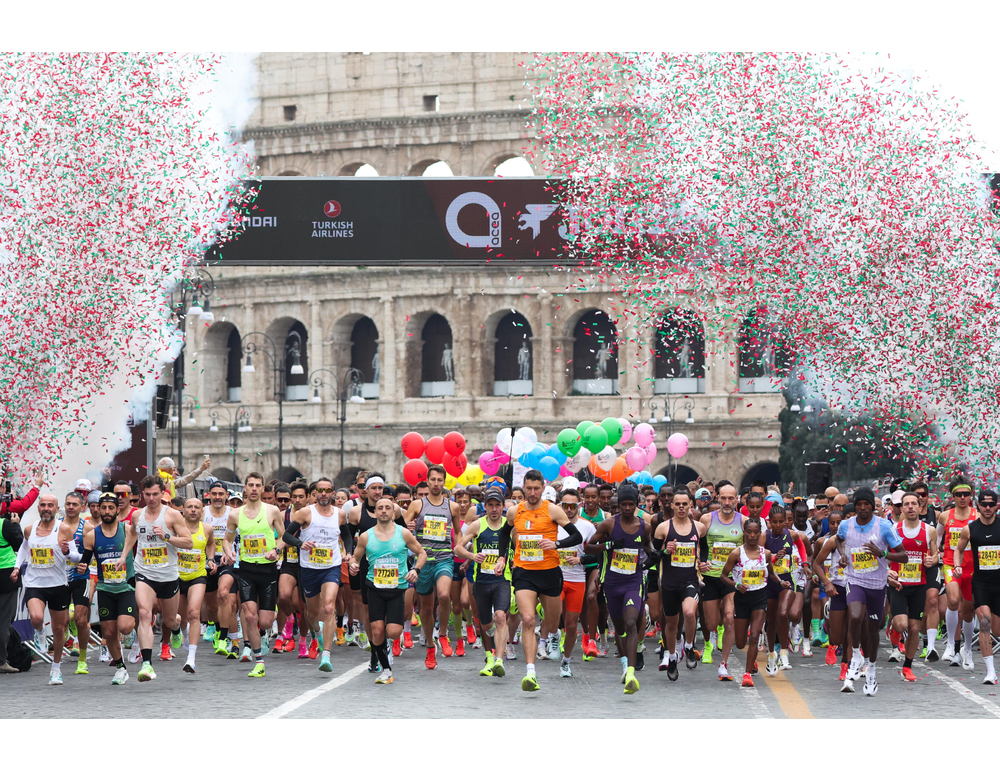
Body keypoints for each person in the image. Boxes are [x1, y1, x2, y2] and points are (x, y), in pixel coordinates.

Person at [817, 486, 906, 696]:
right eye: (859, 505)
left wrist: (882, 553)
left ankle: (872, 669)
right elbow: (839, 539)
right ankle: (856, 655)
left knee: (873, 629)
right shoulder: (847, 525)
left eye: (867, 504)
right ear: (855, 507)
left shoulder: (883, 526)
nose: (864, 508)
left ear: (872, 507)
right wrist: (843, 554)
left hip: (877, 584)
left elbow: (903, 556)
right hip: (854, 580)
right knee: (855, 615)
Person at [499, 469, 581, 692]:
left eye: (536, 488)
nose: (532, 492)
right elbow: (504, 534)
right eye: (529, 488)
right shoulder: (514, 511)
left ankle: (555, 634)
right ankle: (530, 672)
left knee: (552, 623)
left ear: (543, 489)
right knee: (528, 619)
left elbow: (577, 536)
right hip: (524, 572)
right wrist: (502, 557)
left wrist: (557, 545)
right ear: (523, 488)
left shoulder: (553, 510)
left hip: (549, 572)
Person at [117, 475, 193, 682]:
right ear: (142, 494)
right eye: (148, 494)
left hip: (168, 574)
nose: (151, 498)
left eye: (155, 494)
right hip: (145, 572)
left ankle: (177, 628)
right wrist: (124, 556)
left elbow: (188, 543)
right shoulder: (137, 515)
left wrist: (166, 536)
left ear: (162, 494)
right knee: (144, 614)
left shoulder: (172, 516)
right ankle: (147, 665)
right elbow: (132, 534)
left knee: (170, 619)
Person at [349, 496, 426, 684]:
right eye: (380, 508)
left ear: (393, 512)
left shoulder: (403, 533)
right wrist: (353, 565)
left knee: (393, 632)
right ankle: (386, 669)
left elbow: (422, 553)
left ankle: (386, 646)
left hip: (397, 588)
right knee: (376, 630)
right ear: (375, 512)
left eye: (387, 508)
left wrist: (415, 570)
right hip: (374, 587)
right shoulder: (366, 536)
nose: (383, 510)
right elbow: (355, 557)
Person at [282, 477, 352, 672]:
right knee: (312, 613)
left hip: (331, 566)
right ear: (316, 492)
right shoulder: (306, 513)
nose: (323, 494)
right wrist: (300, 544)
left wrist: (348, 551)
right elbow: (287, 535)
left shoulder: (340, 514)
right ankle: (318, 633)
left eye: (327, 490)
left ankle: (326, 655)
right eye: (320, 490)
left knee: (329, 607)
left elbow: (346, 535)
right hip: (309, 568)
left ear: (332, 492)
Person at [585, 482, 648, 695]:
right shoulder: (609, 525)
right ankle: (624, 664)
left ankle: (631, 673)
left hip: (633, 582)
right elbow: (589, 547)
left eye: (631, 504)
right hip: (613, 583)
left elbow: (648, 550)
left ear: (637, 504)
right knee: (620, 627)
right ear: (619, 504)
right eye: (624, 504)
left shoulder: (644, 526)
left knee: (631, 622)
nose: (628, 508)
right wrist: (609, 545)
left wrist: (653, 558)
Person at [11, 493, 81, 684]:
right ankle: (40, 631)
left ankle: (56, 668)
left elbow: (76, 557)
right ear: (38, 508)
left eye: (50, 505)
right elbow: (24, 549)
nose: (46, 508)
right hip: (35, 583)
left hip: (58, 584)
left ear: (56, 509)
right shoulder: (29, 529)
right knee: (36, 618)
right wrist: (17, 567)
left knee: (59, 629)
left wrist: (68, 553)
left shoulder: (63, 528)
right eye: (43, 505)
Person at [224, 471, 285, 678]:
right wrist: (229, 551)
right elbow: (227, 539)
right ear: (245, 488)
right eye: (250, 485)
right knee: (250, 615)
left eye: (258, 485)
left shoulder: (272, 511)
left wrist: (276, 550)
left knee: (265, 621)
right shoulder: (235, 514)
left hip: (268, 569)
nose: (253, 489)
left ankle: (266, 630)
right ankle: (258, 661)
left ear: (263, 489)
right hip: (247, 569)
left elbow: (284, 537)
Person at [403, 465, 463, 671]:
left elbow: (458, 533)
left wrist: (461, 548)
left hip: (445, 558)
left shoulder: (452, 507)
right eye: (433, 480)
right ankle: (430, 646)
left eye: (440, 480)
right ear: (427, 482)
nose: (436, 484)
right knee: (426, 609)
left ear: (444, 482)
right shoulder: (417, 505)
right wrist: (409, 528)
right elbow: (401, 529)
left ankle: (443, 634)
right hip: (423, 560)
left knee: (445, 595)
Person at [721, 517, 789, 687]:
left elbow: (771, 574)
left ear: (760, 533)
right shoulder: (737, 553)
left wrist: (780, 582)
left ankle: (747, 673)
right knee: (740, 642)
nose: (752, 535)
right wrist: (736, 584)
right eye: (749, 532)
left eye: (755, 532)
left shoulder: (765, 553)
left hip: (759, 597)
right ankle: (751, 661)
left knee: (755, 636)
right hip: (742, 598)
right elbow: (723, 576)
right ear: (744, 533)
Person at [75, 493, 136, 684]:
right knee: (109, 633)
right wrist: (81, 565)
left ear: (118, 509)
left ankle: (135, 633)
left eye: (111, 508)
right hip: (105, 589)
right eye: (104, 508)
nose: (107, 511)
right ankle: (120, 668)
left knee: (125, 628)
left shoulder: (127, 530)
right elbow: (84, 561)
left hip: (126, 587)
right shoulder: (92, 535)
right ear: (98, 510)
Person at [454, 487, 512, 678]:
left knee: (501, 616)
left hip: (503, 580)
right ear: (485, 507)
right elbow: (458, 548)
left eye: (498, 505)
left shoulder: (509, 525)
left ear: (503, 507)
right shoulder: (477, 525)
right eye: (490, 505)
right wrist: (472, 556)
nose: (494, 509)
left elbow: (518, 548)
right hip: (481, 581)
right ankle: (489, 657)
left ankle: (499, 660)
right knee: (485, 624)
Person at [654, 488, 707, 680]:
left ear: (690, 504)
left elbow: (705, 548)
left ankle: (689, 646)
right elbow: (653, 555)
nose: (681, 507)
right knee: (671, 624)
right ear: (672, 505)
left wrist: (704, 562)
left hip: (690, 580)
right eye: (678, 504)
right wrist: (664, 551)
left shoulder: (699, 527)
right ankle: (672, 657)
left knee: (690, 612)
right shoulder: (663, 528)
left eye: (685, 504)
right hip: (669, 582)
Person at [886, 491, 937, 682]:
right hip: (898, 583)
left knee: (915, 628)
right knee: (901, 624)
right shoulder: (893, 530)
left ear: (920, 506)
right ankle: (894, 629)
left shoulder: (928, 530)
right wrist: (888, 572)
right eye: (906, 504)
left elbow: (935, 553)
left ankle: (907, 667)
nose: (910, 507)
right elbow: (884, 555)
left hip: (919, 584)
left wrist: (933, 560)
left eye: (913, 504)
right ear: (901, 508)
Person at [954, 488, 1000, 684]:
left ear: (997, 505)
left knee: (997, 630)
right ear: (978, 505)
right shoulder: (970, 528)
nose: (988, 508)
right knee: (985, 622)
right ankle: (990, 671)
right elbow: (958, 549)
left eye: (991, 504)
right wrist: (957, 565)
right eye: (984, 504)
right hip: (980, 582)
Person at [699, 483, 743, 681]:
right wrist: (699, 564)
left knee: (729, 616)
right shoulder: (707, 519)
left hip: (732, 578)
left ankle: (723, 664)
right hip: (711, 576)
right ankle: (711, 639)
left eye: (730, 499)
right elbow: (697, 546)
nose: (727, 502)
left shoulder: (744, 522)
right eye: (723, 498)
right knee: (710, 624)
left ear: (737, 499)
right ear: (717, 497)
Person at [553, 487, 596, 677]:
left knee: (571, 625)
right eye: (565, 505)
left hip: (577, 579)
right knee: (553, 617)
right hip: (556, 578)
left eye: (572, 505)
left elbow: (596, 553)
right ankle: (553, 636)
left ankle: (566, 661)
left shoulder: (587, 527)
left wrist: (580, 560)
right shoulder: (553, 524)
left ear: (580, 505)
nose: (568, 509)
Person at [761, 506, 809, 675]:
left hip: (787, 582)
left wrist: (805, 564)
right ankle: (771, 654)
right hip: (769, 582)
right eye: (775, 522)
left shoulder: (791, 535)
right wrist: (774, 558)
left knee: (783, 614)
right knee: (771, 619)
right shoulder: (764, 537)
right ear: (769, 522)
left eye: (782, 521)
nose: (779, 525)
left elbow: (801, 547)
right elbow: (759, 559)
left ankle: (784, 652)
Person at [938, 477, 977, 669]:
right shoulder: (945, 516)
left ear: (971, 495)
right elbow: (937, 538)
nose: (962, 497)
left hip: (972, 568)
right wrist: (933, 553)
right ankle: (951, 645)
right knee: (953, 601)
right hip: (950, 565)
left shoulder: (977, 516)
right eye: (958, 494)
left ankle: (967, 649)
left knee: (968, 612)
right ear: (952, 496)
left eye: (966, 494)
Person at [176, 497, 215, 673]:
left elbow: (211, 543)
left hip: (197, 576)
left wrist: (211, 559)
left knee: (194, 613)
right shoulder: (175, 527)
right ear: (183, 510)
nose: (193, 510)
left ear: (202, 511)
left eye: (196, 507)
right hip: (176, 576)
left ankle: (191, 658)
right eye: (189, 507)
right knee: (180, 618)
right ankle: (183, 633)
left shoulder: (206, 529)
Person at [813, 511, 851, 678]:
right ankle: (833, 644)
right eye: (833, 523)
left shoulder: (858, 540)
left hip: (855, 587)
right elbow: (816, 563)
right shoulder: (830, 542)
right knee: (836, 635)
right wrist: (827, 583)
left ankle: (846, 666)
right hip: (837, 589)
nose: (837, 526)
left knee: (853, 626)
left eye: (840, 522)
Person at [60, 491, 94, 673]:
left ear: (82, 507)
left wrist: (83, 562)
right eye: (68, 504)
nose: (71, 507)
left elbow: (91, 554)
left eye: (75, 504)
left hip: (81, 577)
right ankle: (67, 626)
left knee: (81, 620)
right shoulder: (56, 525)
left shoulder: (87, 528)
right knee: (62, 620)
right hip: (59, 577)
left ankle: (82, 659)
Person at [579, 483, 607, 660]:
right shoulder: (577, 514)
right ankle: (587, 635)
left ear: (598, 498)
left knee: (593, 598)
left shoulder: (606, 516)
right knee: (582, 603)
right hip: (578, 563)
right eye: (587, 497)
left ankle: (597, 638)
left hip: (597, 564)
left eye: (593, 497)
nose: (590, 500)